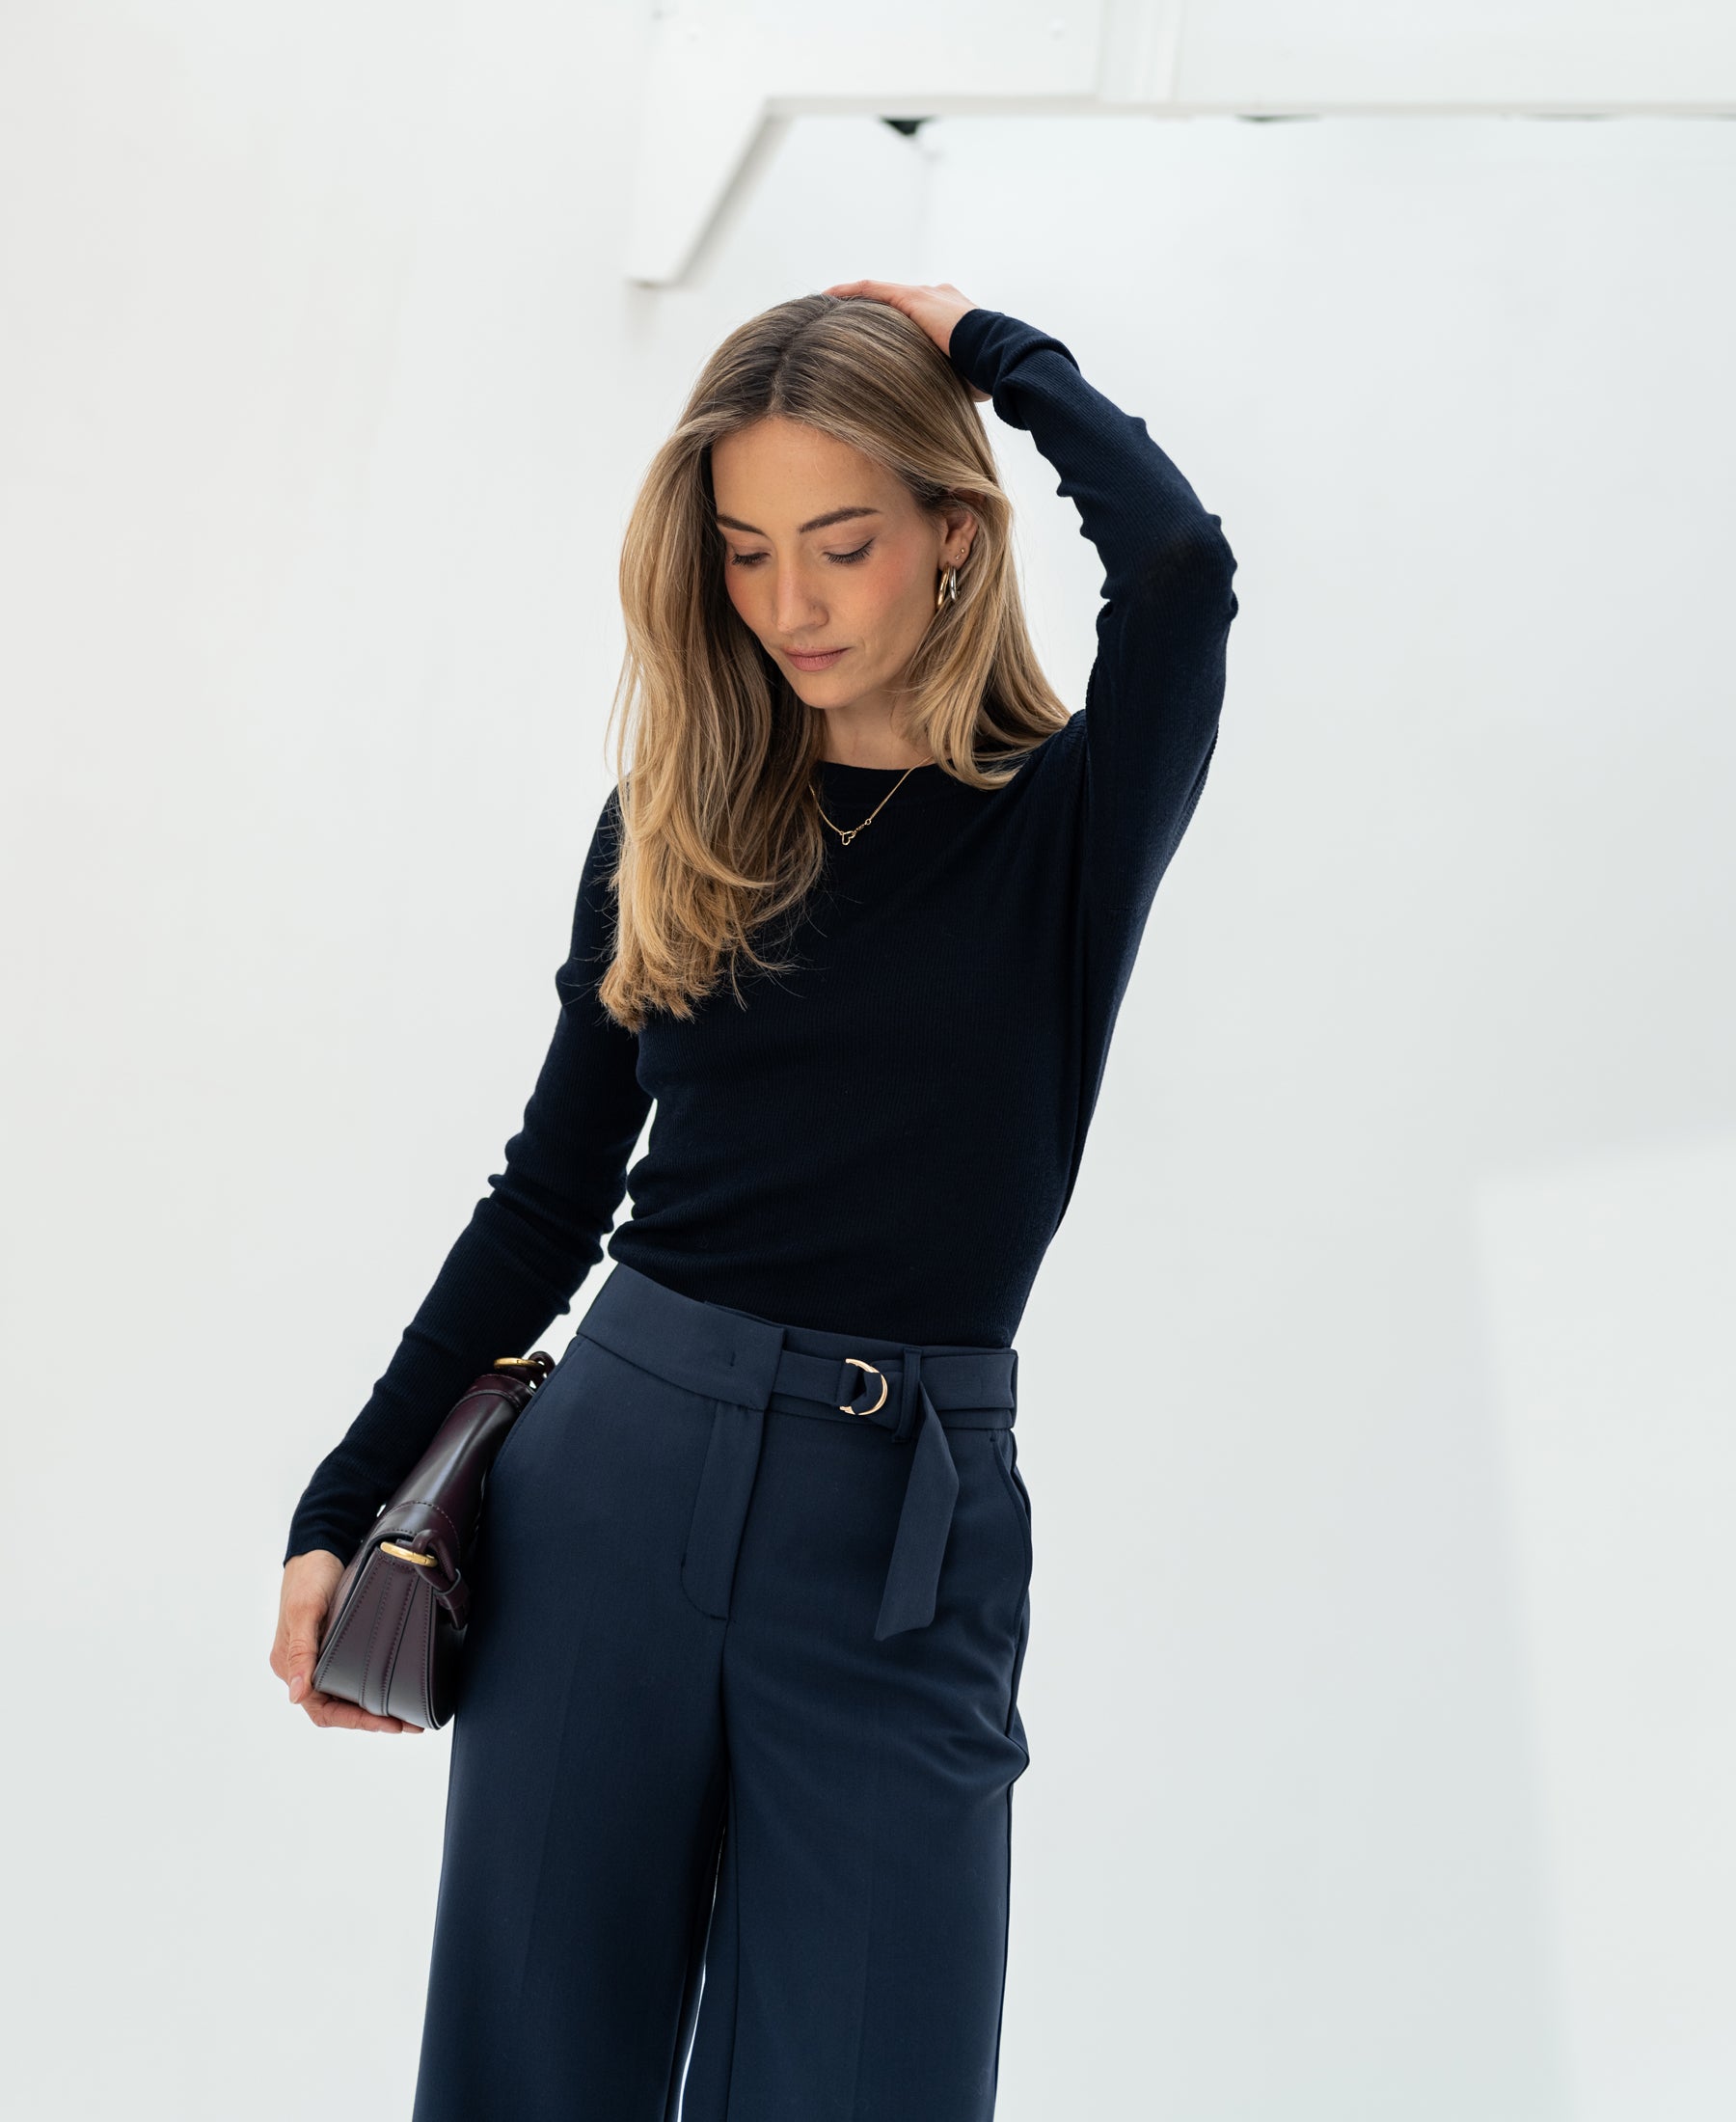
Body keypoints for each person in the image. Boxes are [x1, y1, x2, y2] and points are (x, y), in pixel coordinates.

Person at [270, 278, 1238, 2120]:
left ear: (956, 536)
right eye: (744, 552)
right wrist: (342, 1504)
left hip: (903, 1545)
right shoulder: (682, 818)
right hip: (614, 1481)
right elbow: (550, 1201)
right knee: (529, 2077)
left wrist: (985, 345)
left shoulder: (1069, 823)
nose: (790, 603)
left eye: (843, 543)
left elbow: (1180, 569)